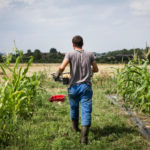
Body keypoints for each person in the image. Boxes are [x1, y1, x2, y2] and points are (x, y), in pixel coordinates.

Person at [54, 35, 99, 144]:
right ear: (82, 44)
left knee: (74, 108)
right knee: (86, 110)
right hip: (86, 87)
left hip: (73, 87)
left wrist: (57, 74)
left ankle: (74, 128)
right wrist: (89, 70)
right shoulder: (90, 55)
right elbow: (96, 69)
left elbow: (61, 67)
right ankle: (84, 138)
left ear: (73, 44)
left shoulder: (69, 54)